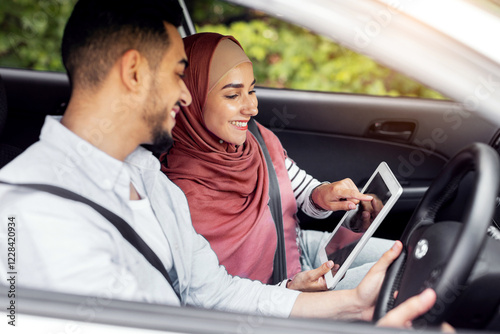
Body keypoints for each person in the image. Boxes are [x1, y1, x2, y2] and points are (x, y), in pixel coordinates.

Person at [0, 0, 442, 329]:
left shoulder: (150, 180)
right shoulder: (31, 216)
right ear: (134, 72)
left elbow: (212, 293)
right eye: (178, 73)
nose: (187, 95)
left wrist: (354, 305)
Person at [161, 32, 393, 291]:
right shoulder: (175, 192)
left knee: (402, 262)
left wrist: (321, 194)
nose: (251, 107)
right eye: (232, 95)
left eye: (251, 90)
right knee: (397, 282)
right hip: (268, 299)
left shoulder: (257, 139)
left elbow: (299, 190)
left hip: (297, 248)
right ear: (190, 97)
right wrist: (289, 292)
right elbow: (210, 297)